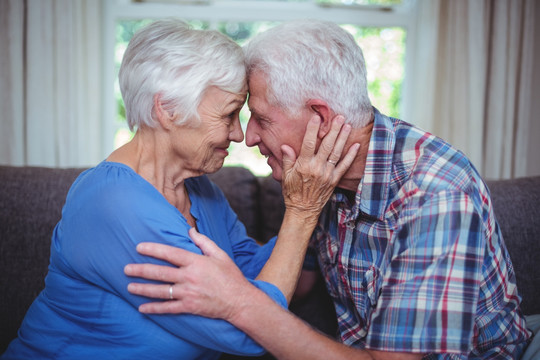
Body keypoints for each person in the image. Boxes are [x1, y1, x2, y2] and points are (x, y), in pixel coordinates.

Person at [124, 19, 533, 359]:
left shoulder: (435, 192)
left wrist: (238, 302)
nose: (247, 138)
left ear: (319, 117)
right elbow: (297, 283)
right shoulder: (318, 177)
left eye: (261, 119)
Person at [1, 19, 359, 360]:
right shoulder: (112, 204)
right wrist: (301, 212)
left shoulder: (200, 190)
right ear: (167, 109)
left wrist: (318, 201)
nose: (239, 134)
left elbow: (250, 273)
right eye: (228, 115)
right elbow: (250, 332)